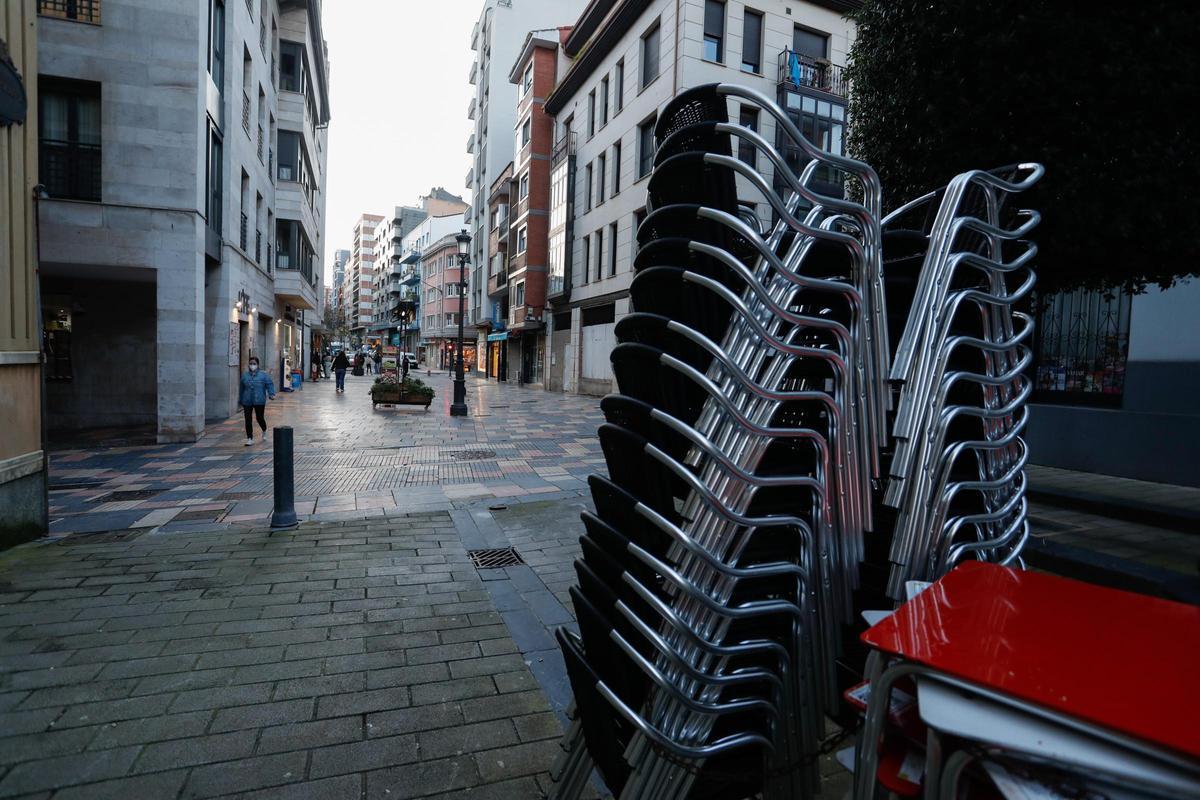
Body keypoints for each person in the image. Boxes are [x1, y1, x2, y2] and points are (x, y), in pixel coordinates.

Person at [238, 356, 276, 446]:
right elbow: (241, 388)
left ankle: (264, 429)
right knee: (248, 419)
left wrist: (271, 394)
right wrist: (240, 399)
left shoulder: (263, 375)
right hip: (247, 400)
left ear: (258, 365)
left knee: (259, 418)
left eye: (254, 363)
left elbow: (269, 384)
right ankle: (250, 438)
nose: (252, 365)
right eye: (251, 363)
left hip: (259, 400)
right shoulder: (245, 375)